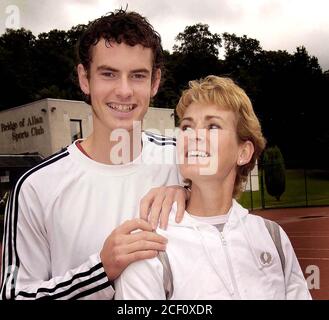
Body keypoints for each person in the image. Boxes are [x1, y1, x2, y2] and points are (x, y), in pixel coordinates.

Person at [0, 9, 188, 300]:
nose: (124, 91)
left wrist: (190, 189)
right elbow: (15, 296)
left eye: (137, 76)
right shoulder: (36, 187)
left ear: (155, 82)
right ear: (84, 79)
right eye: (108, 74)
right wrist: (101, 270)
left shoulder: (183, 161)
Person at [114, 75, 312, 300]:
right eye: (187, 126)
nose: (194, 136)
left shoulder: (272, 237)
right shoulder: (150, 245)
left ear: (243, 152)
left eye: (213, 126)